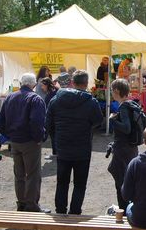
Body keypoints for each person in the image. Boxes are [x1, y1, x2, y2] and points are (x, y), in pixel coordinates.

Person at [46, 70, 103, 214]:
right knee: (80, 183)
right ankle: (75, 211)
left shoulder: (56, 99)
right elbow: (98, 121)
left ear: (73, 82)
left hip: (63, 147)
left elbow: (48, 124)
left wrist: (56, 138)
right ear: (86, 83)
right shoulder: (91, 102)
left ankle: (60, 210)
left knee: (62, 182)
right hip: (82, 148)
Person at [0, 73, 49, 213]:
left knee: (19, 174)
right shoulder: (35, 99)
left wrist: (7, 135)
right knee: (32, 175)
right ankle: (31, 205)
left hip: (15, 140)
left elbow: (0, 120)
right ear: (34, 84)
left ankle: (21, 203)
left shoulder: (10, 97)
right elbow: (37, 122)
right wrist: (39, 138)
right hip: (29, 141)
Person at [108, 79, 139, 214]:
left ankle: (124, 213)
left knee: (121, 183)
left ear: (116, 91)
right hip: (131, 149)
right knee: (128, 180)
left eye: (111, 91)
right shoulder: (131, 104)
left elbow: (126, 128)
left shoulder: (124, 107)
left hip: (123, 151)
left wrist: (113, 120)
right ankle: (127, 210)